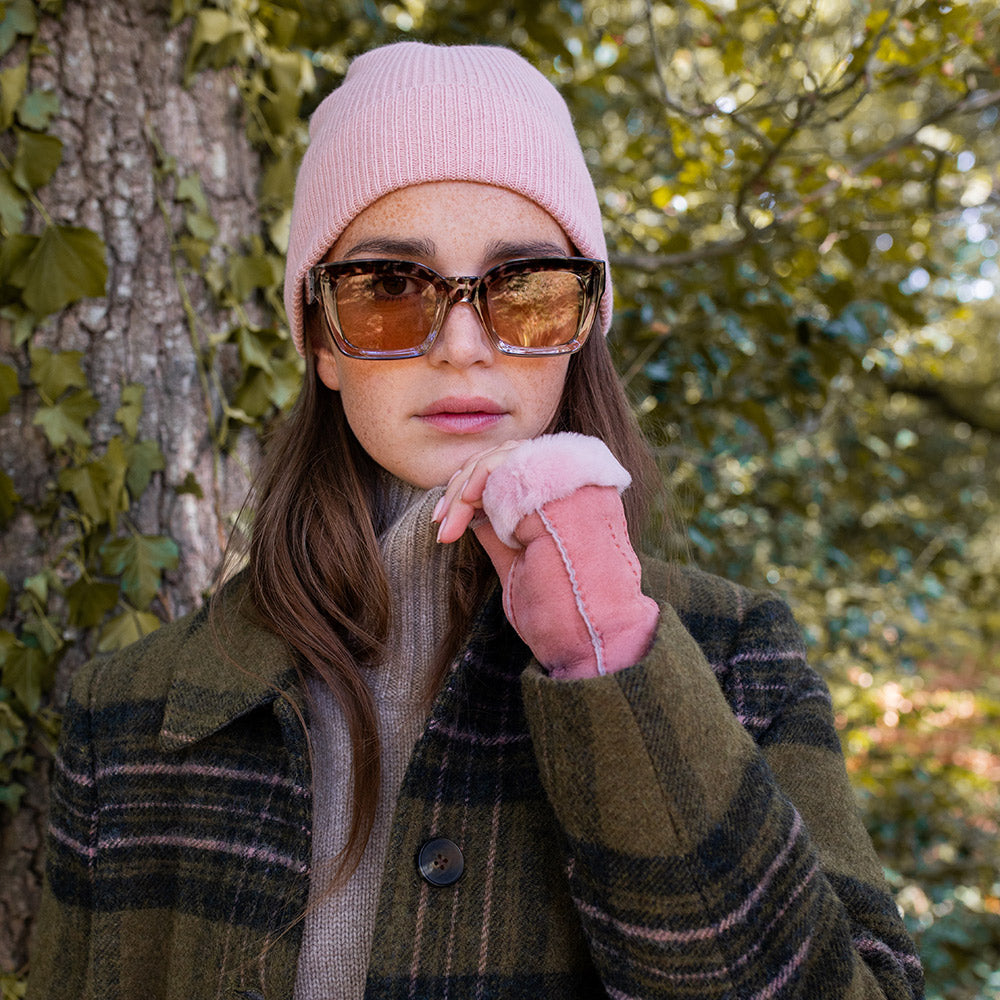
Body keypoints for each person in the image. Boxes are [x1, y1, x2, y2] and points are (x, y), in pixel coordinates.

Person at [27, 41, 923, 1000]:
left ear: (581, 328)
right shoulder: (126, 717)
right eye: (387, 288)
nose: (461, 346)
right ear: (320, 339)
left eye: (527, 289)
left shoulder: (735, 660)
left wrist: (611, 661)